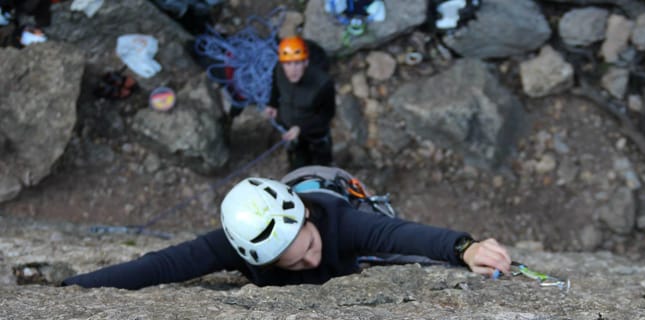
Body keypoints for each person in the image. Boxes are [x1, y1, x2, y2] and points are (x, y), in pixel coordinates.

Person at [61, 177, 512, 289]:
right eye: (293, 263)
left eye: (310, 246)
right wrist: (73, 289)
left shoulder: (342, 222)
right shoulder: (236, 245)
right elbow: (163, 266)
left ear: (308, 216)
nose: (311, 260)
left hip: (328, 190)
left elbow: (399, 235)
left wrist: (464, 248)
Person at [265, 36, 336, 170]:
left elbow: (326, 115)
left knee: (322, 168)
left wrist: (301, 128)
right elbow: (276, 86)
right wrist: (272, 104)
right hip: (291, 128)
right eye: (288, 64)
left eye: (297, 63)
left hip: (315, 133)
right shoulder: (279, 70)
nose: (293, 70)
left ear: (306, 62)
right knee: (298, 164)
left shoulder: (323, 84)